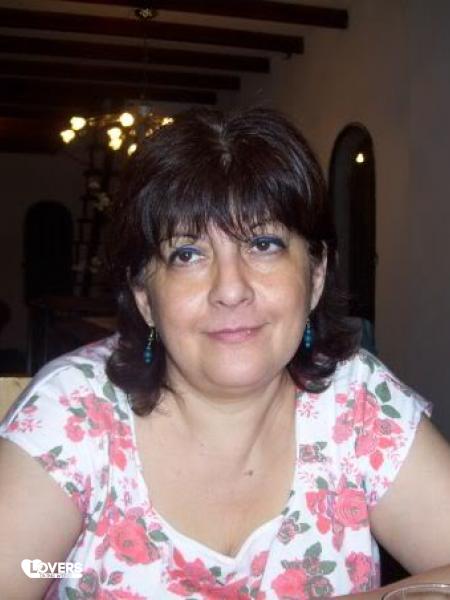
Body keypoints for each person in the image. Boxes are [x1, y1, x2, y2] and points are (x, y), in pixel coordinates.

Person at [0, 108, 449, 600]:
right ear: (145, 296)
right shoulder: (74, 411)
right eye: (187, 254)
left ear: (316, 274)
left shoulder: (357, 402)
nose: (230, 289)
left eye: (264, 244)